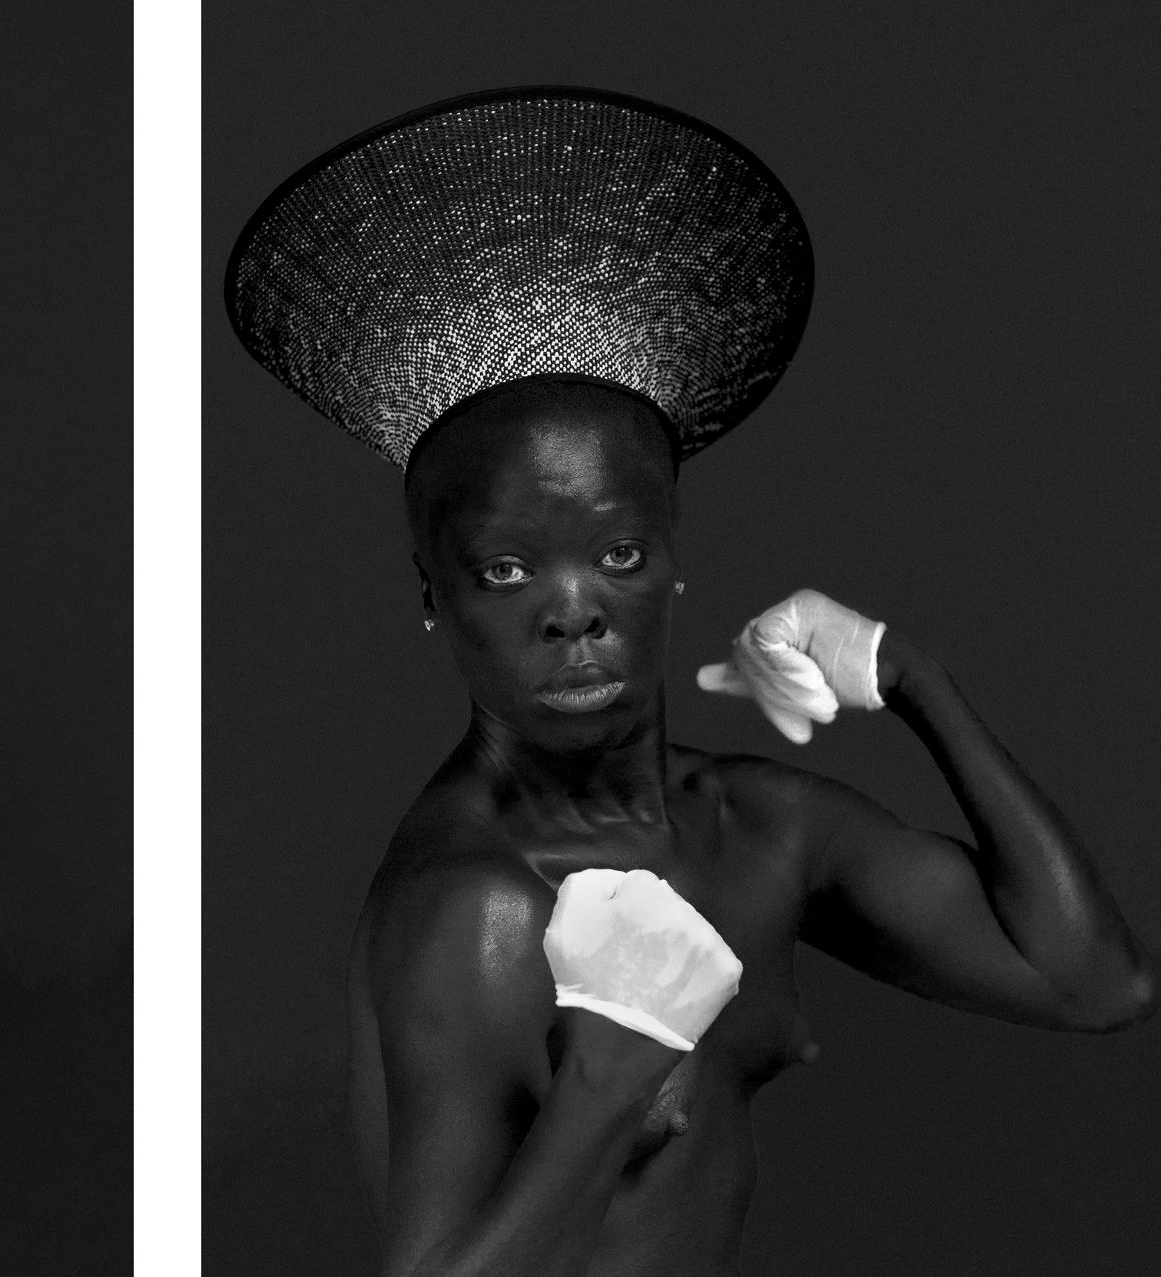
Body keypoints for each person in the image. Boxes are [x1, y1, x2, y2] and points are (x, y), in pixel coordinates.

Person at [226, 88, 1153, 1275]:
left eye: (616, 553)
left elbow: (1091, 981)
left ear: (670, 566)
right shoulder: (482, 909)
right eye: (506, 569)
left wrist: (910, 675)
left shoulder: (754, 826)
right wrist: (613, 1071)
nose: (571, 606)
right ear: (431, 593)